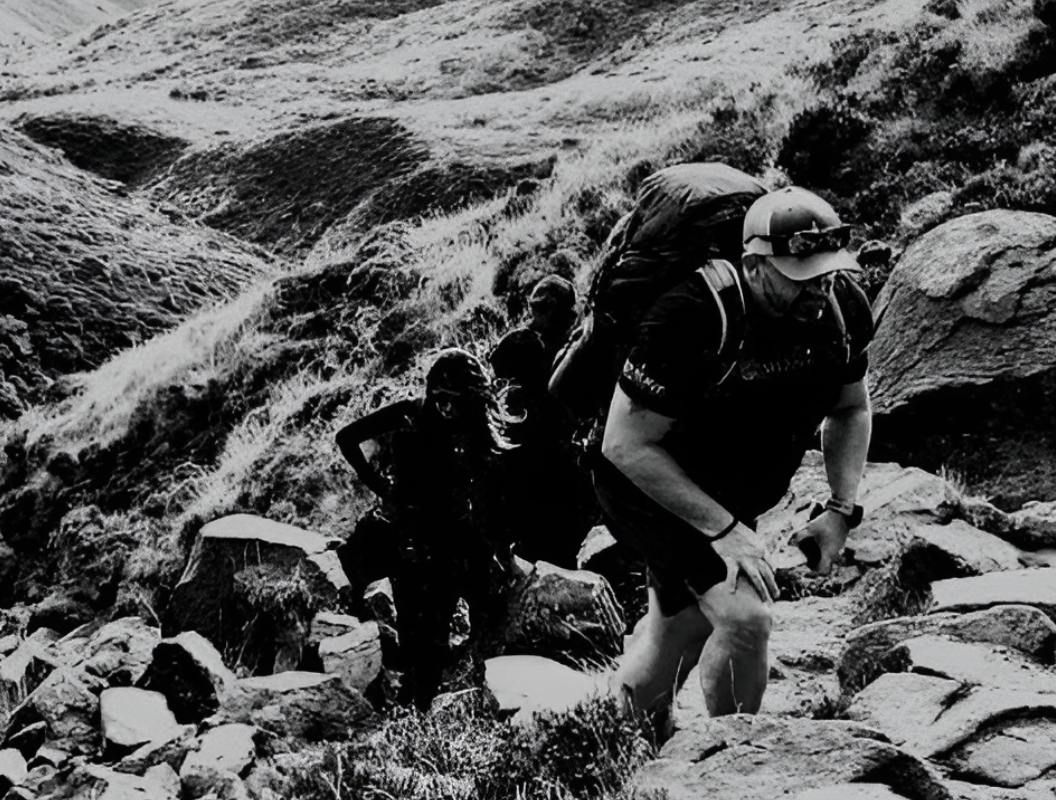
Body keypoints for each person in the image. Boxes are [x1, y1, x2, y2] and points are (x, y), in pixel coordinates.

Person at [593, 186, 874, 740]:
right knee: (746, 620)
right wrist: (723, 531)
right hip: (648, 485)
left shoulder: (841, 311)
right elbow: (624, 446)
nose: (819, 289)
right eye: (800, 275)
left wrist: (840, 508)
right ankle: (734, 758)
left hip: (725, 488)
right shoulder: (692, 316)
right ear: (754, 266)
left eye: (827, 272)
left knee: (680, 631)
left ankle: (607, 739)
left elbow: (852, 408)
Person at [337, 348, 515, 710]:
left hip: (455, 538)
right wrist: (380, 486)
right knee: (415, 630)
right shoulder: (409, 414)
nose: (447, 408)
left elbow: (490, 492)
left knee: (452, 626)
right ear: (430, 391)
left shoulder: (474, 427)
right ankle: (414, 705)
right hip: (412, 533)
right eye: (440, 399)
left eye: (456, 401)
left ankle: (437, 703)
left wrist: (497, 547)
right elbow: (347, 437)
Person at [490, 275, 592, 567]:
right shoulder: (545, 343)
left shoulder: (529, 342)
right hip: (550, 454)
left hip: (543, 453)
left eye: (541, 311)